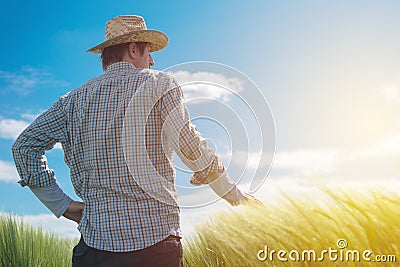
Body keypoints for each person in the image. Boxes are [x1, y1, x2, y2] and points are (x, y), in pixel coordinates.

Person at [12, 15, 257, 267]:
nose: (152, 60)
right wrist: (233, 194)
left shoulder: (72, 101)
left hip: (95, 247)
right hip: (156, 246)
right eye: (148, 51)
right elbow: (190, 146)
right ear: (132, 49)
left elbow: (23, 146)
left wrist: (62, 204)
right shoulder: (160, 84)